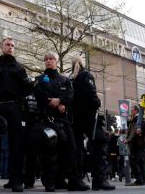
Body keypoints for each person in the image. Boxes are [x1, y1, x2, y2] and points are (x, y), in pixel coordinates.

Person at [0, 37, 33, 192]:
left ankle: (16, 181)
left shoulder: (19, 68)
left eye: (12, 45)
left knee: (17, 146)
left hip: (15, 108)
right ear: (1, 47)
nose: (10, 47)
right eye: (7, 45)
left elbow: (28, 88)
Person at [31, 52, 89, 192]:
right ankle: (50, 182)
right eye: (46, 59)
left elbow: (70, 94)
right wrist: (58, 102)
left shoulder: (64, 80)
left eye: (51, 59)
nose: (48, 61)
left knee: (71, 150)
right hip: (47, 120)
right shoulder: (39, 79)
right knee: (49, 151)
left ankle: (74, 181)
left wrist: (62, 102)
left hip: (63, 120)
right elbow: (40, 96)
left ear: (56, 61)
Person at [71, 55, 115, 191]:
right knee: (100, 144)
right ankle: (99, 180)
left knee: (77, 148)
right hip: (89, 116)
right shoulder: (86, 76)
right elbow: (91, 95)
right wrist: (98, 102)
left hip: (75, 117)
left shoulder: (71, 78)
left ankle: (76, 180)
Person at [126, 105, 145, 186]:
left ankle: (139, 180)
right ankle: (142, 180)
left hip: (136, 143)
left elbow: (133, 131)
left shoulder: (137, 119)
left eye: (132, 110)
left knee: (133, 162)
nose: (131, 112)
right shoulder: (137, 119)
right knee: (141, 162)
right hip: (140, 143)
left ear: (136, 111)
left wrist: (128, 139)